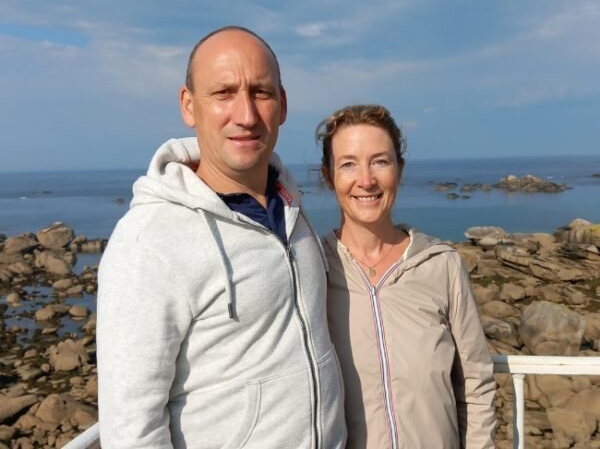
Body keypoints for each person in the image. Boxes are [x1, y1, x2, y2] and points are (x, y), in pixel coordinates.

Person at [97, 26, 346, 448]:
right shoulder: (148, 242)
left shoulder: (290, 209)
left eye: (261, 92)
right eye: (224, 93)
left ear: (283, 106)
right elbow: (131, 428)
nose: (246, 115)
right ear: (189, 105)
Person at [316, 104, 496, 449]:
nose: (366, 180)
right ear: (329, 176)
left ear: (399, 169)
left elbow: (476, 382)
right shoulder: (313, 268)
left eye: (380, 161)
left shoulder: (441, 265)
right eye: (348, 164)